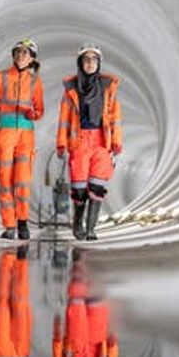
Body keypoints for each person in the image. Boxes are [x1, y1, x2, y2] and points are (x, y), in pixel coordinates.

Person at [0, 39, 44, 240]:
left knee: (22, 181)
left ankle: (23, 222)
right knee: (5, 181)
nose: (21, 56)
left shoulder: (35, 82)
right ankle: (9, 225)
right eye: (18, 52)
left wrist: (33, 114)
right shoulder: (1, 78)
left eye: (26, 53)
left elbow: (40, 109)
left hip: (26, 136)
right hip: (5, 135)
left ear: (32, 58)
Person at [56, 44, 122, 240]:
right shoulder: (72, 89)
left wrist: (117, 141)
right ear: (80, 63)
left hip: (101, 141)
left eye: (94, 60)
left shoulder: (107, 87)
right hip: (80, 140)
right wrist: (61, 143)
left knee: (97, 185)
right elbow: (64, 118)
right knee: (79, 188)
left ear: (99, 63)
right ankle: (78, 223)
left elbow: (115, 116)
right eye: (86, 59)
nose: (90, 63)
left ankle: (91, 228)